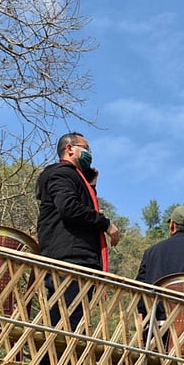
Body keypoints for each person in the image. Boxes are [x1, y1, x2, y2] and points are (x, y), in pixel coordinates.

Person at [35, 133, 120, 344]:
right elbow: (69, 208)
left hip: (77, 260)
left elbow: (76, 205)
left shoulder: (72, 176)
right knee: (66, 323)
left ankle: (56, 361)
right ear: (70, 149)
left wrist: (90, 186)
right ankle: (53, 363)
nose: (89, 153)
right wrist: (105, 224)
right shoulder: (62, 173)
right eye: (86, 148)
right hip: (70, 260)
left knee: (71, 322)